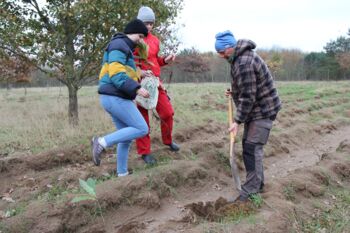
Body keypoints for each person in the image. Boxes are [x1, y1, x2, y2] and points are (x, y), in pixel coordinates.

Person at [215, 30, 282, 202]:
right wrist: (234, 91)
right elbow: (246, 87)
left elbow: (248, 97)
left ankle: (251, 190)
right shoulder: (239, 58)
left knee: (252, 148)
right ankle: (257, 184)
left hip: (263, 110)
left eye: (222, 52)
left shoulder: (244, 62)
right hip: (256, 110)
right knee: (249, 147)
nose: (221, 56)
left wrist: (237, 121)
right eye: (218, 53)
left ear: (230, 47)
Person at [91, 19, 150, 177]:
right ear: (135, 33)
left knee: (125, 137)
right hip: (115, 97)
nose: (141, 41)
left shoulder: (125, 48)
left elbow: (123, 71)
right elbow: (116, 75)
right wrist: (137, 89)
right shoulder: (119, 45)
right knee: (142, 128)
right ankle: (101, 142)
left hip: (113, 97)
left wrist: (140, 74)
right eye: (141, 36)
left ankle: (122, 174)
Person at [134, 6, 180, 165]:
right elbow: (129, 64)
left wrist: (165, 60)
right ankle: (145, 152)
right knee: (142, 119)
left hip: (156, 83)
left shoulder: (155, 40)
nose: (148, 26)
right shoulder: (134, 40)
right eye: (145, 23)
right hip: (140, 84)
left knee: (167, 112)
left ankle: (167, 140)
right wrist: (139, 73)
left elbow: (155, 61)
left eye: (151, 23)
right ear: (139, 22)